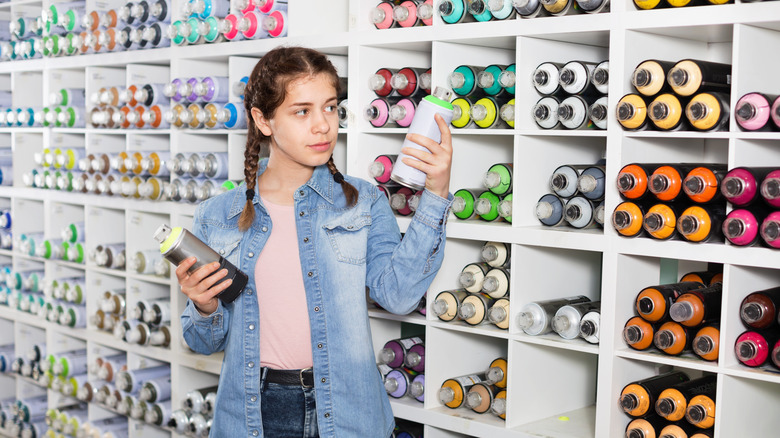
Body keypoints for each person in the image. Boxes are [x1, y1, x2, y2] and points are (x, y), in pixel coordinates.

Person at [176, 46, 454, 438]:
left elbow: (399, 296)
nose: (323, 125)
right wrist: (204, 306)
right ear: (263, 119)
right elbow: (202, 342)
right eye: (302, 111)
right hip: (254, 414)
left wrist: (437, 193)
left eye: (330, 107)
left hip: (348, 411)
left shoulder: (363, 201)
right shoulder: (217, 215)